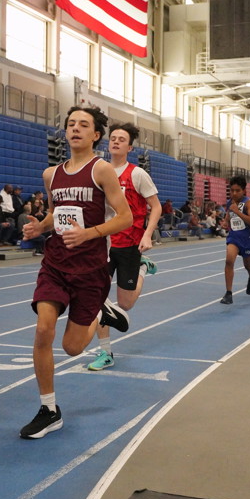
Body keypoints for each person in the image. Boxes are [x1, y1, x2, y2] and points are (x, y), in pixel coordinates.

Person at [18, 106, 132, 440]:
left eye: (83, 124)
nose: (76, 129)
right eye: (71, 124)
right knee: (43, 329)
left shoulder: (102, 170)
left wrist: (89, 234)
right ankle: (48, 410)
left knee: (72, 348)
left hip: (90, 269)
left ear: (96, 135)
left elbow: (124, 217)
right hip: (55, 263)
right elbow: (56, 213)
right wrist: (40, 227)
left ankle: (100, 312)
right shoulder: (51, 175)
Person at [87, 122, 161, 372]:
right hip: (103, 244)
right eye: (113, 138)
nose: (116, 141)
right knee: (98, 298)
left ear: (129, 147)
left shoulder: (137, 174)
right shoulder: (99, 171)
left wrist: (147, 235)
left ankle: (142, 267)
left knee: (125, 304)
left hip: (129, 243)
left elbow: (156, 207)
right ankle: (105, 352)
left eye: (122, 139)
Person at [220, 175, 250, 305]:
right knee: (229, 261)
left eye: (237, 190)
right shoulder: (230, 202)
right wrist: (225, 222)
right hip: (234, 237)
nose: (234, 193)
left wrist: (238, 212)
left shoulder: (249, 203)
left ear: (243, 191)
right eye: (232, 190)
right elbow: (228, 214)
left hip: (247, 239)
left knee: (248, 265)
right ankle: (228, 293)